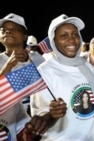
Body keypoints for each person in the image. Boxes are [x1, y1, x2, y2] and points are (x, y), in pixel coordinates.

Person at [30, 14, 94, 141]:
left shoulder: (87, 66)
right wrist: (51, 115)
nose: (71, 40)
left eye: (75, 34)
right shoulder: (44, 72)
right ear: (54, 41)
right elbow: (40, 122)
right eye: (64, 36)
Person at [0, 13, 50, 141]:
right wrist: (8, 66)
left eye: (14, 29)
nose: (8, 32)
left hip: (32, 122)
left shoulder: (38, 59)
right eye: (4, 30)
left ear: (24, 36)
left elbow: (47, 90)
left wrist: (29, 61)